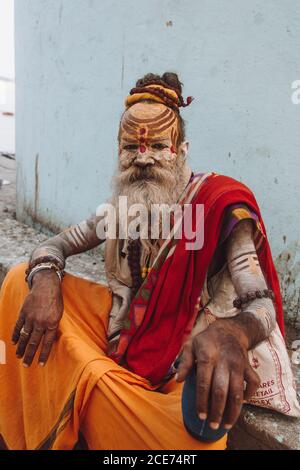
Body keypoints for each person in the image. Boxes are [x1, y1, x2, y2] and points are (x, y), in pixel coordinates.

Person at [0, 72, 284, 450]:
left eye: (157, 146)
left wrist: (234, 332)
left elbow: (261, 301)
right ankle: (90, 382)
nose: (143, 158)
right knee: (21, 280)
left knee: (192, 442)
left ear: (182, 150)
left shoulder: (217, 205)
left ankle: (85, 382)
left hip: (180, 365)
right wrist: (47, 278)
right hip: (124, 342)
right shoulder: (122, 208)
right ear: (119, 151)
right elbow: (55, 245)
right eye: (131, 147)